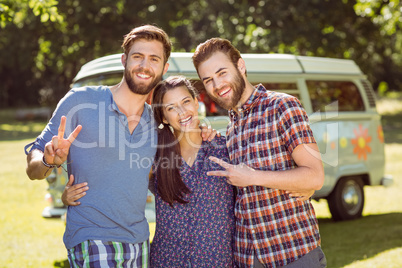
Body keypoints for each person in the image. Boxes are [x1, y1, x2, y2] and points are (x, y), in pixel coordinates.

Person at [25, 25, 219, 267]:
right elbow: (34, 160)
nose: (145, 65)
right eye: (138, 57)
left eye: (154, 59)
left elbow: (180, 154)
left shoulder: (156, 124)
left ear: (164, 68)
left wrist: (205, 132)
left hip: (139, 241)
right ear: (124, 60)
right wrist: (46, 161)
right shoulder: (81, 101)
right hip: (93, 237)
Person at [63, 76, 235, 267]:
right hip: (168, 260)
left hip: (217, 260)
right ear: (163, 117)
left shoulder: (224, 148)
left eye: (186, 102)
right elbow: (114, 181)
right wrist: (68, 196)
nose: (182, 111)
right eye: (171, 108)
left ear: (196, 102)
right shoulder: (153, 154)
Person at [192, 38, 327, 268]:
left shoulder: (282, 107)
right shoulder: (232, 126)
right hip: (248, 258)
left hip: (294, 255)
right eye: (208, 80)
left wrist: (253, 177)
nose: (217, 84)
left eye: (222, 73)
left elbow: (315, 176)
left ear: (241, 66)